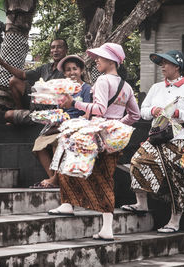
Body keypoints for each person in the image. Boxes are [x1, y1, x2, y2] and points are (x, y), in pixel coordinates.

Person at [50, 43, 141, 241]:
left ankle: (67, 204)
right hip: (113, 140)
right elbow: (135, 115)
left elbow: (99, 109)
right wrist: (116, 126)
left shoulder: (102, 80)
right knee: (106, 179)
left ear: (111, 61)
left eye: (100, 58)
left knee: (67, 161)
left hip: (95, 136)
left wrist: (74, 103)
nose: (97, 60)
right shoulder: (126, 86)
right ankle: (106, 227)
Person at [120, 50, 184, 233]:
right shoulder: (156, 88)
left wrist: (178, 114)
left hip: (179, 139)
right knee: (137, 161)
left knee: (174, 178)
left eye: (166, 63)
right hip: (157, 137)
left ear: (177, 66)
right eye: (161, 63)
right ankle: (141, 203)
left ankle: (175, 220)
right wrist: (153, 111)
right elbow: (143, 110)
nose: (162, 67)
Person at [31, 55, 92, 189]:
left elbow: (89, 112)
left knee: (57, 142)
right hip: (61, 126)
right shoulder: (62, 91)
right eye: (68, 70)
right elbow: (60, 111)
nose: (72, 73)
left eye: (74, 69)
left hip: (77, 128)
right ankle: (54, 178)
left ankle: (54, 179)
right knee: (38, 144)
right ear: (64, 73)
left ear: (81, 70)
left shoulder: (86, 89)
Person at [0, 38, 67, 124]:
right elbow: (22, 75)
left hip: (52, 112)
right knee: (14, 81)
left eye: (59, 47)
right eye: (53, 47)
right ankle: (21, 113)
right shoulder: (45, 68)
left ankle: (26, 119)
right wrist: (2, 63)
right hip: (35, 106)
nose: (55, 50)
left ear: (66, 50)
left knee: (8, 115)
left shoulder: (68, 70)